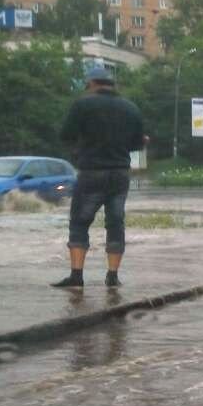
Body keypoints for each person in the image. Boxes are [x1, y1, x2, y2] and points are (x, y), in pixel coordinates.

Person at [53, 64, 147, 289]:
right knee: (115, 223)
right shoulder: (131, 108)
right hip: (119, 174)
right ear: (112, 85)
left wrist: (80, 147)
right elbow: (137, 143)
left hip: (92, 172)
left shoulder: (83, 105)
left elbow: (65, 134)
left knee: (79, 222)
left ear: (92, 84)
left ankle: (76, 277)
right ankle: (112, 277)